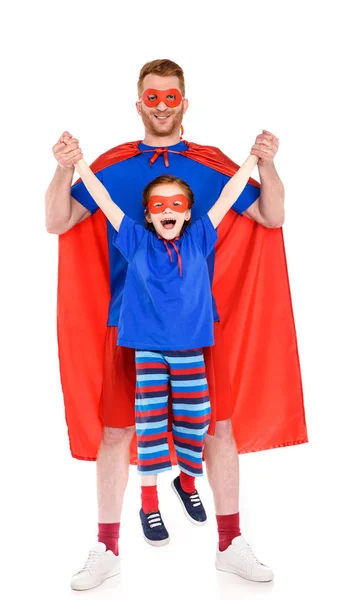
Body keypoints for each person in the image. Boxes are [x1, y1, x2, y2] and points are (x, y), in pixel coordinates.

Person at [45, 59, 307, 590]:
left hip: (196, 331)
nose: (161, 106)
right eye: (152, 97)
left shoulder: (211, 168)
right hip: (130, 330)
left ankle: (230, 543)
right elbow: (56, 222)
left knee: (218, 428)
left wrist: (268, 163)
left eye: (171, 98)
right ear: (138, 102)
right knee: (117, 433)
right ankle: (107, 547)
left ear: (184, 103)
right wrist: (65, 167)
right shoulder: (114, 168)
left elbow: (271, 216)